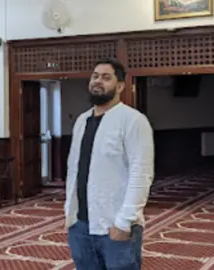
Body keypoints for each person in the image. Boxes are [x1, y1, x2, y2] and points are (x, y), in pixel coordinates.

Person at [64, 57, 154, 270]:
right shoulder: (82, 121)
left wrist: (124, 221)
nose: (98, 81)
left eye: (106, 77)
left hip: (115, 225)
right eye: (95, 76)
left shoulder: (133, 120)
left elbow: (141, 174)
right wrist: (69, 213)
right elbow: (74, 170)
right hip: (80, 225)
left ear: (120, 86)